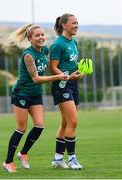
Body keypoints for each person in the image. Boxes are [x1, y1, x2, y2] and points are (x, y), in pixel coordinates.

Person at [2, 24, 69, 173]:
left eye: (42, 34)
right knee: (21, 129)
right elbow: (36, 79)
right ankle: (8, 162)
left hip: (35, 94)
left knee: (39, 125)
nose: (41, 38)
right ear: (30, 39)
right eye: (37, 35)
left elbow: (56, 60)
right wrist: (58, 76)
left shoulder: (44, 50)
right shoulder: (28, 55)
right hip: (22, 93)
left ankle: (23, 153)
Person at [50, 13, 84, 170]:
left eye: (77, 23)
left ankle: (57, 159)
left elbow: (72, 64)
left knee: (66, 122)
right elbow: (53, 67)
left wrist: (79, 71)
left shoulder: (74, 42)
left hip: (72, 84)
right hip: (61, 85)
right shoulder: (58, 44)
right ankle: (72, 159)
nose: (76, 25)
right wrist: (66, 77)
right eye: (73, 23)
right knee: (73, 121)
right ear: (64, 25)